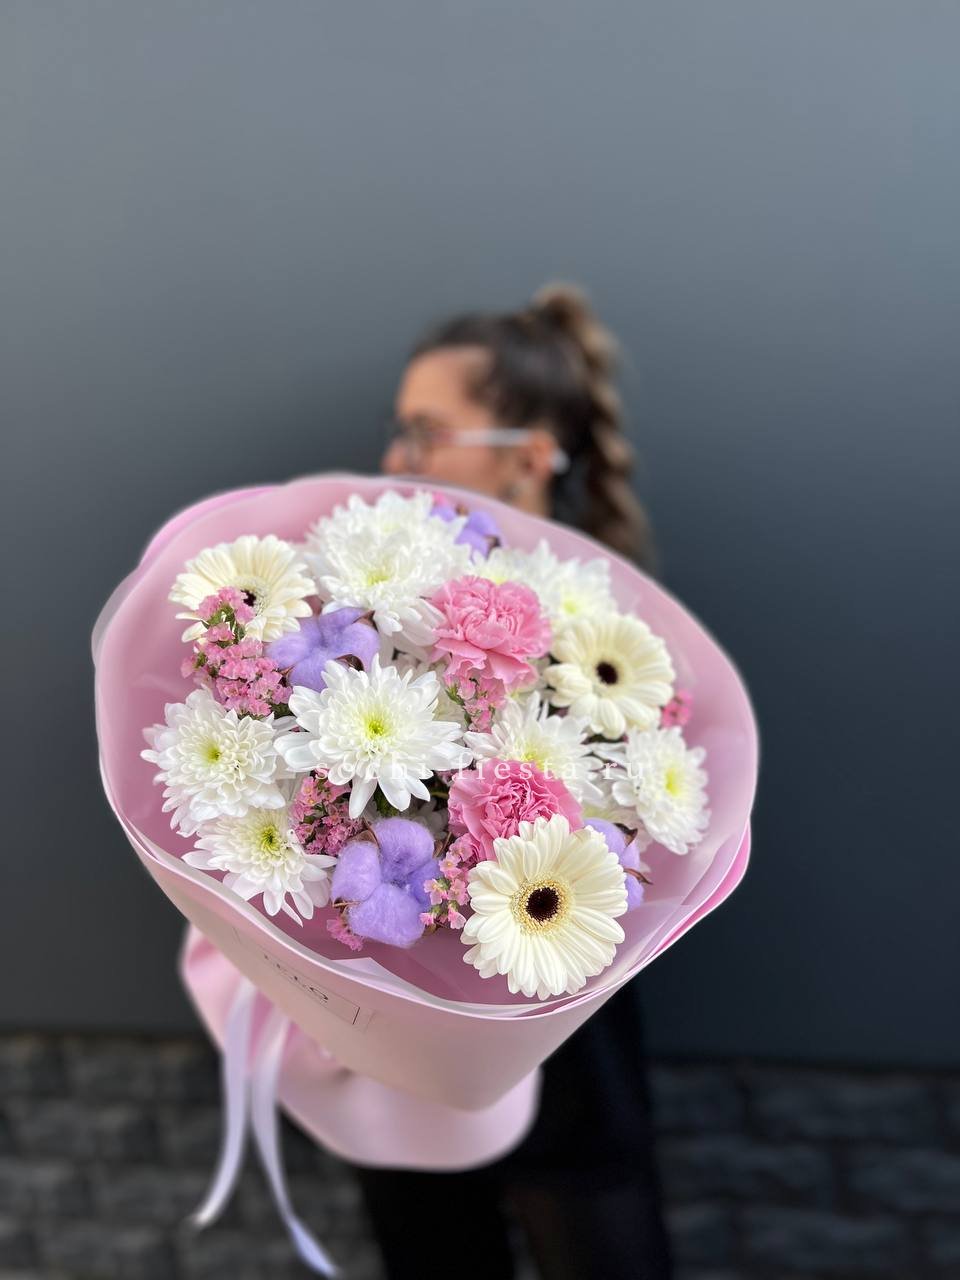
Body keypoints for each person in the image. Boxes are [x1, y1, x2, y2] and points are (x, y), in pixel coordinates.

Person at [354, 284, 673, 1280]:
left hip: (570, 1043)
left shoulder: (617, 643)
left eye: (426, 431)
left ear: (529, 455)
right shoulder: (376, 614)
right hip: (411, 1052)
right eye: (398, 429)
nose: (396, 460)